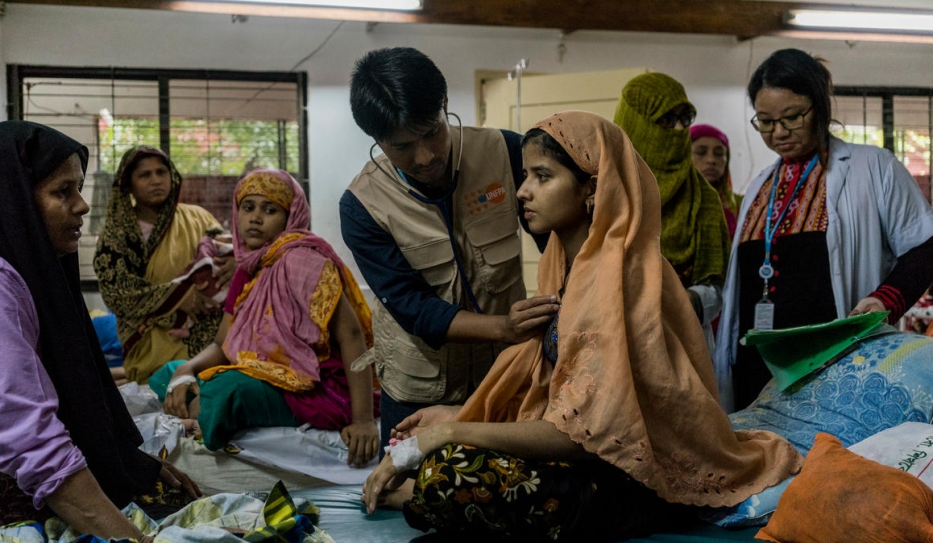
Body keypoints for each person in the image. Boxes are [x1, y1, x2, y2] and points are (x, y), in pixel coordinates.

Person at [361, 111, 801, 541]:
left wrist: (451, 431)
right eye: (525, 176)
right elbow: (555, 397)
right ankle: (419, 486)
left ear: (592, 189)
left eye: (542, 176)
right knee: (445, 458)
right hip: (584, 465)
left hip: (628, 480)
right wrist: (457, 415)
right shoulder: (567, 269)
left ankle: (413, 495)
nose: (523, 192)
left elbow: (584, 433)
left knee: (449, 471)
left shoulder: (620, 281)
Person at [0, 121, 199, 540]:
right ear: (12, 199)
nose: (81, 206)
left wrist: (129, 460)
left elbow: (66, 384)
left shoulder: (2, 264)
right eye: (62, 192)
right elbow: (31, 442)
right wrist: (133, 539)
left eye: (79, 187)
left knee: (163, 492)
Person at [340, 47, 557, 457]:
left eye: (430, 132)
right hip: (419, 388)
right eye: (402, 146)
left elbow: (558, 241)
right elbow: (412, 306)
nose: (424, 157)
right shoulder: (362, 206)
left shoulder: (506, 153)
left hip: (506, 372)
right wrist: (502, 327)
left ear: (444, 105)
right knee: (419, 496)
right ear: (376, 140)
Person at [714, 48, 933, 411]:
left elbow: (925, 247)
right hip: (757, 372)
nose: (778, 133)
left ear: (820, 107)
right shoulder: (759, 187)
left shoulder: (872, 167)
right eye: (765, 122)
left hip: (836, 366)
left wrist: (884, 300)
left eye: (792, 118)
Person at [155, 168, 379, 467]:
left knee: (226, 391)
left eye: (270, 209)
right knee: (167, 373)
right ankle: (197, 405)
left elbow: (351, 336)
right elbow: (223, 344)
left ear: (291, 216)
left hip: (309, 383)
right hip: (260, 370)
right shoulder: (249, 268)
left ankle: (201, 412)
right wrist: (186, 369)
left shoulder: (305, 260)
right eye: (248, 208)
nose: (255, 218)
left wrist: (362, 419)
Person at [94, 146, 235, 384]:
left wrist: (235, 259)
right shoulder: (118, 236)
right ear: (128, 184)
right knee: (166, 384)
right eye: (145, 175)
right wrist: (181, 297)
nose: (156, 180)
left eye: (161, 172)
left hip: (208, 332)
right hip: (150, 340)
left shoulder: (197, 217)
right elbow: (118, 295)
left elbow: (223, 249)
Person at [613, 72, 730, 357]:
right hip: (610, 340)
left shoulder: (704, 199)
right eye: (667, 120)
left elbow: (717, 286)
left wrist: (687, 300)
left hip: (682, 345)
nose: (679, 130)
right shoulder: (602, 195)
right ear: (636, 124)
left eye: (684, 119)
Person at [690, 123, 742, 237]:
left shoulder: (742, 205)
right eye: (701, 152)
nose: (711, 160)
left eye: (719, 154)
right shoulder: (671, 204)